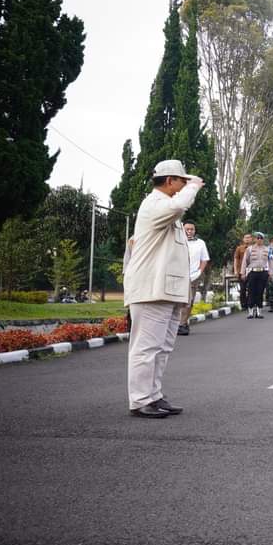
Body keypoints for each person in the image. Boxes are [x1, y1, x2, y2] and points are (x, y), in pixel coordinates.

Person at [123, 159, 203, 419]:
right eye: (182, 181)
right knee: (146, 348)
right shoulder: (155, 204)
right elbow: (180, 204)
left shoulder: (167, 209)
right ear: (170, 181)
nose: (184, 186)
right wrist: (194, 187)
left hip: (166, 290)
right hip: (151, 289)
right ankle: (140, 399)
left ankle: (154, 395)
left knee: (162, 347)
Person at [176, 221, 209, 336]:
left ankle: (183, 324)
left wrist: (199, 272)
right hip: (177, 276)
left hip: (193, 276)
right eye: (187, 229)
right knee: (178, 301)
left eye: (192, 229)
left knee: (189, 301)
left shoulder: (200, 243)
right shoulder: (177, 241)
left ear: (195, 231)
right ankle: (178, 324)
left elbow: (204, 259)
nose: (189, 231)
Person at [241, 232, 273, 319]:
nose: (259, 240)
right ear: (255, 239)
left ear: (263, 240)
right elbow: (244, 261)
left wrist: (271, 272)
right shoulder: (250, 249)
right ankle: (250, 311)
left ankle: (259, 311)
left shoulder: (267, 249)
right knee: (251, 292)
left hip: (263, 272)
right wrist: (243, 273)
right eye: (257, 238)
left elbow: (271, 261)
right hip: (252, 272)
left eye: (261, 238)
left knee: (260, 292)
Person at [233, 233, 252, 310]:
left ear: (251, 239)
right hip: (242, 271)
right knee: (243, 289)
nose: (247, 239)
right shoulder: (239, 248)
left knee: (251, 289)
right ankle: (243, 305)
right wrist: (235, 270)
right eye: (246, 237)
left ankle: (250, 303)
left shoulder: (254, 248)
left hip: (252, 271)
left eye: (249, 237)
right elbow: (236, 259)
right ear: (243, 239)